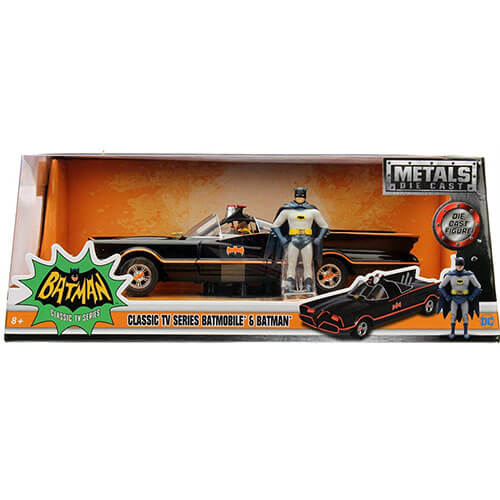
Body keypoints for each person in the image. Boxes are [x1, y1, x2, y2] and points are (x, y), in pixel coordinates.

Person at [270, 187, 329, 293]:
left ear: (305, 196)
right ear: (295, 196)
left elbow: (324, 226)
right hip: (293, 240)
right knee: (291, 265)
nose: (300, 198)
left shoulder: (313, 211)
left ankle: (308, 287)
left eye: (301, 196)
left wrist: (319, 238)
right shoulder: (287, 211)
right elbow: (275, 225)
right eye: (298, 196)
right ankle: (290, 287)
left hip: (307, 240)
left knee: (308, 265)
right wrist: (282, 238)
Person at [438, 256, 481, 340]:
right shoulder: (450, 275)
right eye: (458, 265)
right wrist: (447, 296)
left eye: (461, 265)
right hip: (454, 298)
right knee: (453, 315)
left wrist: (472, 297)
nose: (459, 267)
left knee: (465, 315)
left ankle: (466, 332)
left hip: (464, 298)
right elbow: (441, 286)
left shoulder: (469, 275)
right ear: (455, 265)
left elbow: (478, 286)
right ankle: (452, 332)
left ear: (463, 265)